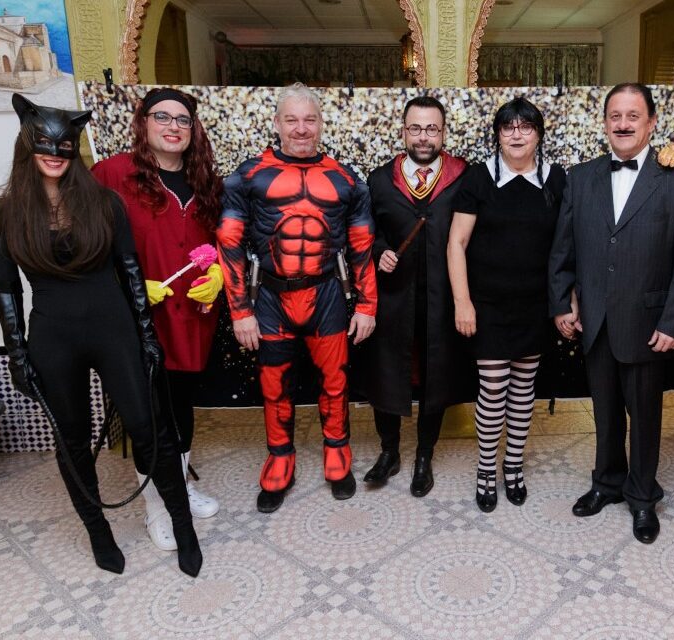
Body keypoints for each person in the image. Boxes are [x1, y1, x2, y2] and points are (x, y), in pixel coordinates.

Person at [0, 93, 201, 577]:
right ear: (27, 144)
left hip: (114, 329)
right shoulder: (1, 214)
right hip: (53, 336)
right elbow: (6, 292)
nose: (54, 154)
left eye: (64, 146)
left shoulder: (104, 203)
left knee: (151, 431)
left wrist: (147, 336)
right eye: (44, 144)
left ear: (75, 149)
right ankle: (98, 533)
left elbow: (129, 271)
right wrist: (17, 355)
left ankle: (183, 528)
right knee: (73, 441)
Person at [548, 84, 674, 543]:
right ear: (604, 123)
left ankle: (642, 497)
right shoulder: (580, 178)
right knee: (605, 414)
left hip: (648, 323)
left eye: (633, 116)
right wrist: (562, 303)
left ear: (652, 122)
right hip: (594, 320)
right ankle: (607, 482)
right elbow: (562, 251)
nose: (622, 124)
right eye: (615, 116)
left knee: (645, 416)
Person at [218, 83, 378, 513]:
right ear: (277, 123)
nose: (301, 129)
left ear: (321, 123)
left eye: (309, 120)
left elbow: (363, 245)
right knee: (273, 384)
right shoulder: (247, 176)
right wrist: (240, 311)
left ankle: (337, 452)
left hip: (326, 291)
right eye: (292, 119)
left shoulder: (347, 180)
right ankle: (280, 456)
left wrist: (366, 306)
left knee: (336, 379)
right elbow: (228, 242)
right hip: (270, 295)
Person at [92, 87, 224, 550]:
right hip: (138, 322)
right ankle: (156, 508)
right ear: (142, 122)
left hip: (191, 320)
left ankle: (181, 489)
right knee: (149, 419)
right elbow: (83, 246)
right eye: (162, 117)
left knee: (181, 409)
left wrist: (222, 276)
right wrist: (123, 285)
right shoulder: (111, 175)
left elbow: (223, 243)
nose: (173, 126)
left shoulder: (205, 180)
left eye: (183, 120)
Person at [448, 97, 566, 512]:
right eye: (508, 127)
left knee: (522, 392)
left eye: (526, 126)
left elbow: (565, 247)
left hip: (534, 304)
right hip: (489, 306)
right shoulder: (480, 179)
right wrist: (463, 302)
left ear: (538, 134)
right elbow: (456, 243)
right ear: (498, 134)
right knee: (493, 390)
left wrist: (566, 301)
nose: (516, 134)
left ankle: (512, 466)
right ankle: (486, 469)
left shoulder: (555, 179)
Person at [358, 96, 472, 496]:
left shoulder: (463, 178)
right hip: (393, 298)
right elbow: (365, 232)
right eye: (416, 128)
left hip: (441, 298)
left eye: (432, 129)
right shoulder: (378, 180)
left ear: (443, 132)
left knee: (436, 376)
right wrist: (379, 252)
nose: (424, 137)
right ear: (404, 130)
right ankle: (389, 452)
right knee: (387, 373)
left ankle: (425, 454)